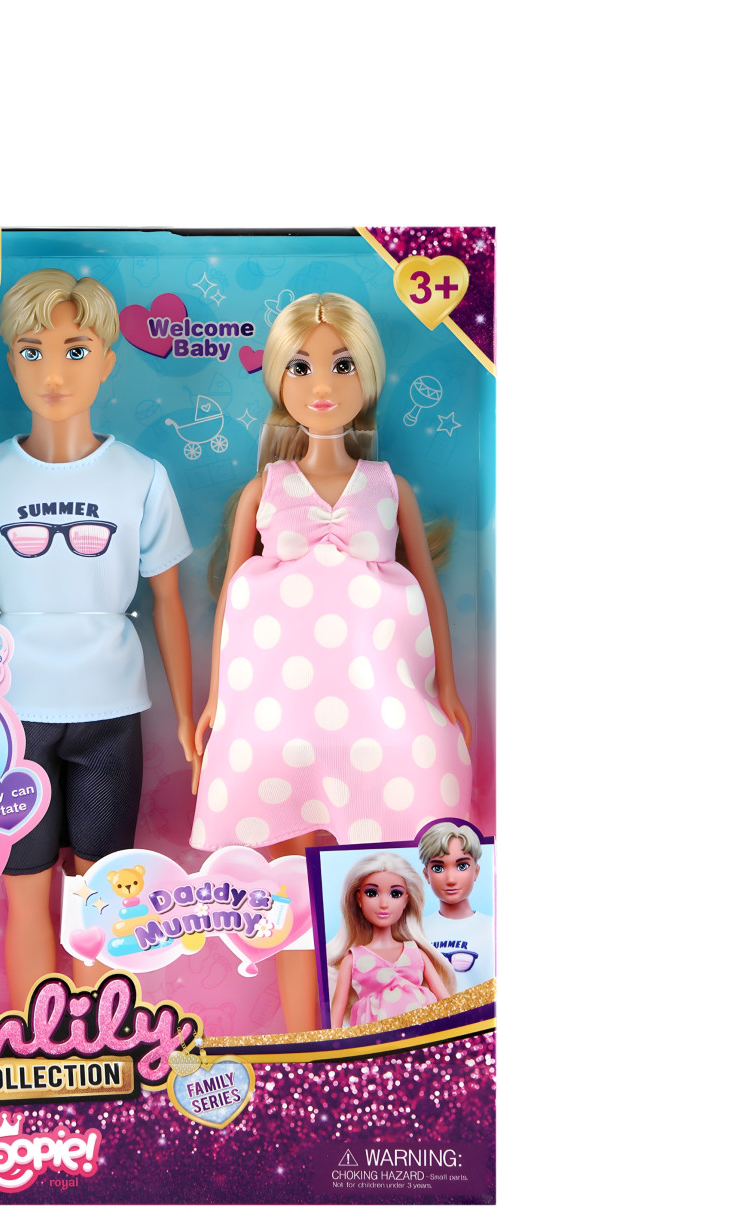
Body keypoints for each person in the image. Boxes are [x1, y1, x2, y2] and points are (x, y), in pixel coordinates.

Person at [192, 291, 472, 1029]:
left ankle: (382, 1033)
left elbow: (428, 592)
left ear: (367, 375)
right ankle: (300, 1036)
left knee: (379, 877)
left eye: (342, 366)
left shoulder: (388, 488)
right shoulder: (265, 490)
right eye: (302, 366)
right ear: (278, 379)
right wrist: (216, 701)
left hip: (375, 713)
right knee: (287, 891)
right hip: (277, 717)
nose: (322, 385)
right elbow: (231, 601)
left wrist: (446, 685)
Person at [0, 269, 197, 1006]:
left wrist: (188, 717)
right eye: (33, 351)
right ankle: (32, 1044)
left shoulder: (141, 477)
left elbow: (169, 602)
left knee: (102, 897)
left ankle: (99, 1046)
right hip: (11, 714)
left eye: (76, 350)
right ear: (11, 360)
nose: (53, 373)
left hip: (109, 710)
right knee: (24, 888)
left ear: (108, 361)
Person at [328, 851, 455, 1029]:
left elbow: (447, 1003)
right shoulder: (353, 960)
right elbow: (336, 1018)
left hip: (423, 1035)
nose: (383, 904)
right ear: (359, 899)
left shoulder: (417, 954)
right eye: (372, 893)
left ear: (406, 900)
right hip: (377, 1040)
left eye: (395, 894)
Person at [418, 821, 494, 990]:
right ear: (426, 875)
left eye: (462, 866)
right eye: (438, 868)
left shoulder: (492, 928)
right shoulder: (415, 931)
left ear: (476, 871)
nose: (451, 879)